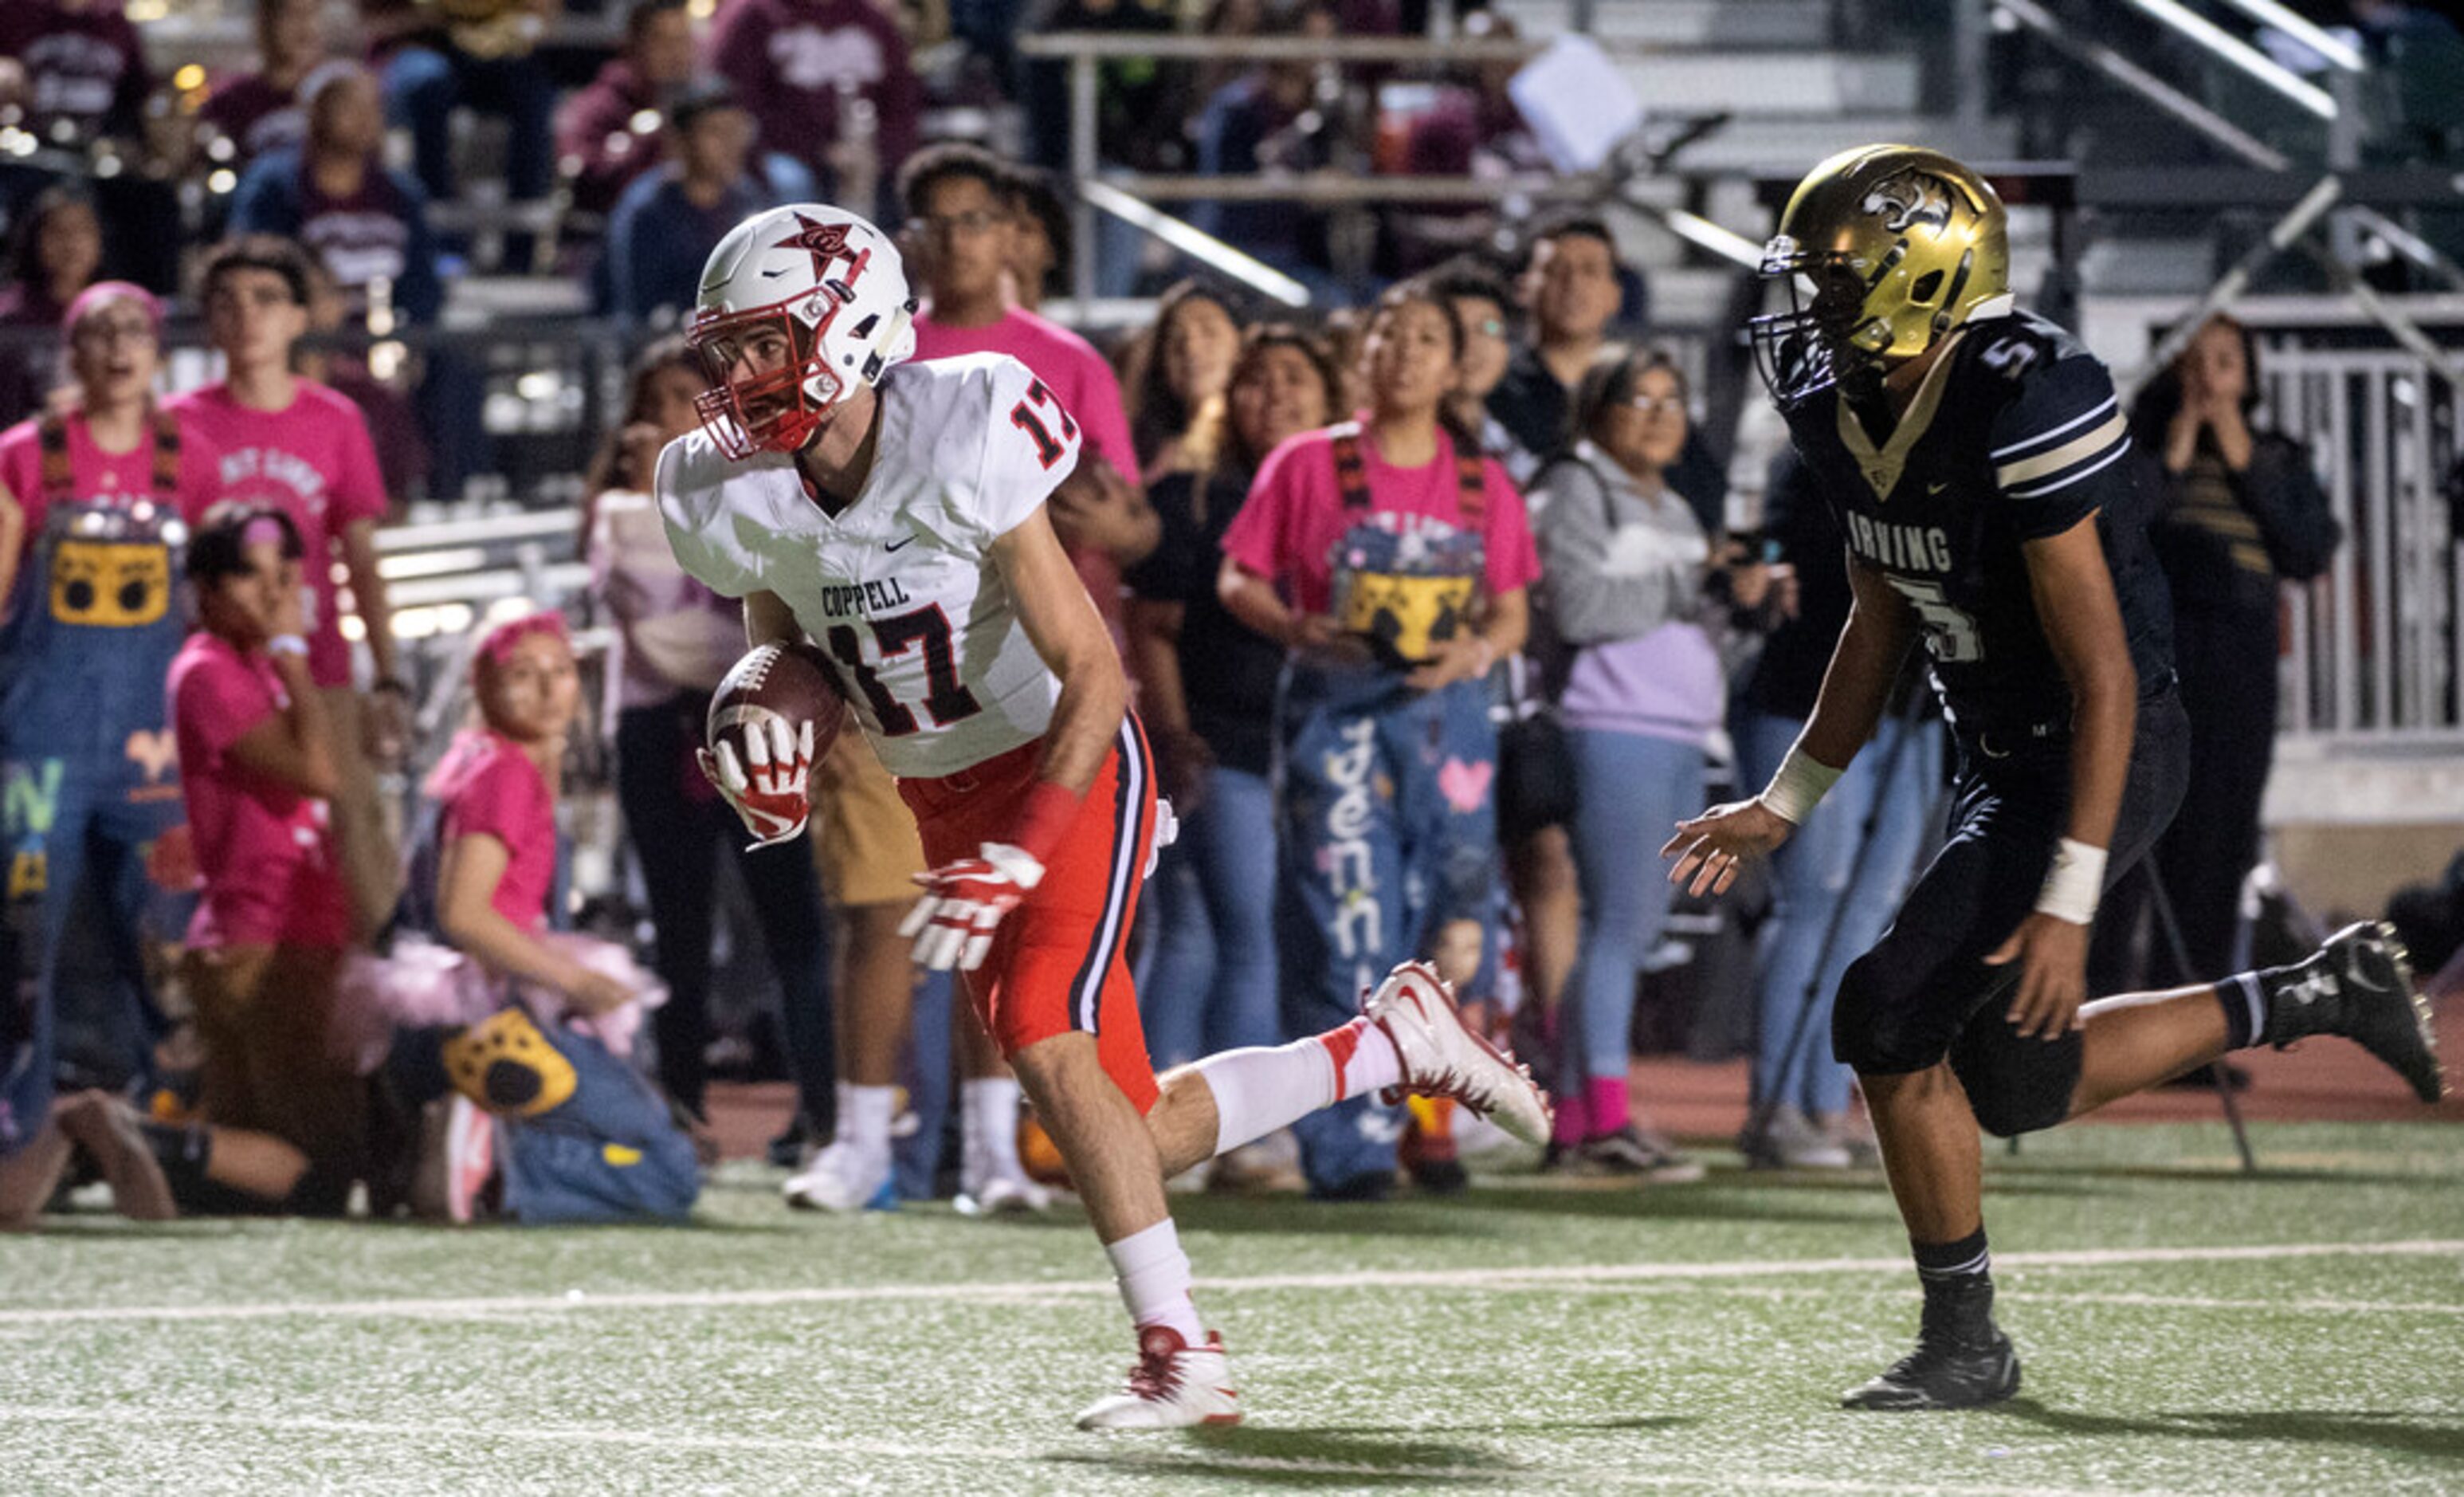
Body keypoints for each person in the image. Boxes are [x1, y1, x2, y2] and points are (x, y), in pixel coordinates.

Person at [659, 203, 1548, 1425]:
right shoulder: (727, 487)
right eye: (731, 349)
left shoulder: (962, 422)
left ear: (851, 329)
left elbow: (1092, 671)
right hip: (938, 788)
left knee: (1038, 1029)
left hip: (1064, 758)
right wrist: (772, 727)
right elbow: (788, 640)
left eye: (766, 345)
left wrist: (1027, 845)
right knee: (1130, 1125)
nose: (738, 377)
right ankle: (1392, 1043)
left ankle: (1184, 1354)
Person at [1666, 143, 2446, 1412]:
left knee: (1883, 1012)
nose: (1807, 310)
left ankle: (1966, 1343)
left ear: (1920, 279)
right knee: (2015, 1078)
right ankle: (2314, 988)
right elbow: (1881, 607)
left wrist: (2069, 905)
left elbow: (2107, 680)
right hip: (2002, 750)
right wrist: (1786, 800)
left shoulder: (2023, 393)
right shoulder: (1839, 388)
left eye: (1833, 278)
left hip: (2110, 746)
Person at [1218, 280, 1543, 1200]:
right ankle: (1351, 1149)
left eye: (1424, 340)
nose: (1402, 354)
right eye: (1385, 337)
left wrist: (1474, 650)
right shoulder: (1307, 464)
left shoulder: (1482, 480)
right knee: (1345, 924)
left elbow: (1513, 612)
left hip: (1450, 720)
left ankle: (1433, 1126)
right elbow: (1237, 578)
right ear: (1360, 355)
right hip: (1334, 712)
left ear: (1452, 364)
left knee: (1457, 921)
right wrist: (1298, 630)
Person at [586, 338, 837, 1137]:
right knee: (680, 925)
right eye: (652, 401)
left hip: (763, 722)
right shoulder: (623, 506)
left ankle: (823, 1113)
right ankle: (682, 1115)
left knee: (793, 921)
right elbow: (670, 641)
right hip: (660, 728)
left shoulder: (768, 484)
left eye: (683, 398)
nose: (665, 417)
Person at [0, 283, 222, 1179]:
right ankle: (16, 1135)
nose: (120, 348)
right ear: (71, 351)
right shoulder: (23, 457)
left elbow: (215, 607)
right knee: (21, 939)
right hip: (36, 741)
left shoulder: (194, 460)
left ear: (159, 349)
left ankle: (158, 1131)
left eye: (136, 330)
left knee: (168, 939)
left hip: (151, 746)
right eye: (100, 333)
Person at [1531, 348, 1767, 1182]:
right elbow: (1583, 606)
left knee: (1629, 930)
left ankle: (1575, 1120)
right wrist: (1687, 579)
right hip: (1612, 724)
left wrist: (1735, 606)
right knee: (1618, 926)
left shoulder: (1667, 503)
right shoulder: (1574, 486)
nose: (1660, 416)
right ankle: (1603, 1121)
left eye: (1673, 401)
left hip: (1673, 730)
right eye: (1640, 398)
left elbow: (1675, 622)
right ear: (1597, 408)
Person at [1125, 324, 1336, 1189]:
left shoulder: (1343, 488)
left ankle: (1160, 1120)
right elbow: (1153, 626)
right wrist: (1174, 737)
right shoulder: (1194, 496)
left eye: (1295, 379)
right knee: (1227, 933)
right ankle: (1213, 1129)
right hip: (1223, 739)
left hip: (1320, 742)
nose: (1274, 396)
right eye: (1255, 381)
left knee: (1224, 932)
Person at [2092, 316, 2341, 999]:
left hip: (2237, 659)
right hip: (2157, 650)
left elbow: (2308, 546)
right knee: (2132, 829)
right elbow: (2118, 530)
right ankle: (2100, 1003)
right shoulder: (2140, 452)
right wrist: (2175, 447)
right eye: (2194, 361)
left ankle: (2188, 1021)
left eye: (2225, 361)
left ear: (2250, 375)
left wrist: (2238, 450)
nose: (2208, 377)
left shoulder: (2278, 456)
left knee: (2218, 836)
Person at [169, 236, 406, 945]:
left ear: (302, 317)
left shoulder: (334, 418)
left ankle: (386, 1023)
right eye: (228, 301)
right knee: (232, 842)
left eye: (267, 299)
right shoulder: (176, 424)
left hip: (318, 666)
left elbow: (360, 559)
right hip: (219, 678)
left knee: (354, 834)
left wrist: (388, 677)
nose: (248, 315)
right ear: (208, 321)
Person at [1732, 450, 1942, 1169]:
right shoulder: (1823, 449)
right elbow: (1803, 557)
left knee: (1871, 907)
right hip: (1812, 699)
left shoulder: (1950, 451)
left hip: (1912, 711)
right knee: (1814, 901)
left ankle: (1826, 1101)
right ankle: (1778, 1105)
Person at [167, 501, 364, 1212]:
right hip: (259, 934)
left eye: (286, 575)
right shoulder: (209, 671)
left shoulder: (253, 662)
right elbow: (319, 772)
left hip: (292, 926)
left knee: (274, 1150)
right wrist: (293, 652)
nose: (277, 594)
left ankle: (138, 1144)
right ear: (207, 589)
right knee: (320, 1168)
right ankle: (120, 1137)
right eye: (253, 578)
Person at [601, 81, 795, 328]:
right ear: (682, 140)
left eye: (735, 130)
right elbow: (638, 311)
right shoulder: (647, 210)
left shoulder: (747, 199)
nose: (730, 145)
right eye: (714, 132)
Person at [705, 0, 920, 219]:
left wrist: (878, 150)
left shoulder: (872, 19)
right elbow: (736, 107)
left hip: (865, 156)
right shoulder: (754, 14)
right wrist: (819, 151)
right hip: (781, 159)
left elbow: (903, 105)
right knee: (791, 179)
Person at [555, 0, 701, 218]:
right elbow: (578, 178)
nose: (676, 54)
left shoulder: (703, 108)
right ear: (634, 43)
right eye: (663, 41)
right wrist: (642, 143)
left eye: (683, 40)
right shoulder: (598, 106)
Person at [0, 187, 105, 427]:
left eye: (82, 230)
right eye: (58, 231)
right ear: (35, 239)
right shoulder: (9, 315)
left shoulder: (114, 310)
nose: (71, 243)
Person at [195, 0, 333, 172]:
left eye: (313, 13)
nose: (307, 26)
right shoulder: (231, 102)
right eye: (292, 14)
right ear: (267, 23)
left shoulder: (338, 97)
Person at [1128, 281, 1244, 482]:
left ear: (1241, 343)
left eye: (1209, 332)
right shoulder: (1146, 449)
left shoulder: (1257, 448)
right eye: (1176, 337)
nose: (1191, 349)